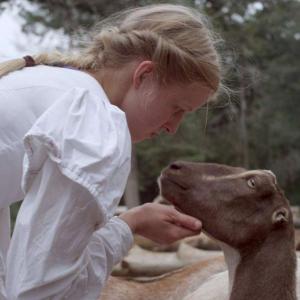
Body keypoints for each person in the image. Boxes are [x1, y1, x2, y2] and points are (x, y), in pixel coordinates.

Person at [0, 3, 221, 299]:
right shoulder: (93, 123)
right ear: (143, 75)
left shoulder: (50, 85)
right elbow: (43, 293)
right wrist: (127, 229)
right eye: (176, 108)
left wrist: (133, 223)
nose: (173, 127)